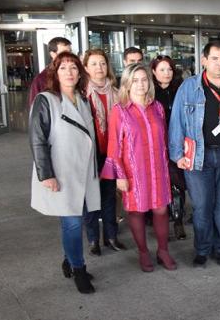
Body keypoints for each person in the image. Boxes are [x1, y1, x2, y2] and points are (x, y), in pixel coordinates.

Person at [169, 41, 220, 268]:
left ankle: (219, 247)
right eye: (214, 58)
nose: (219, 63)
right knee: (202, 208)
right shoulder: (188, 87)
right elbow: (176, 122)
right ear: (204, 60)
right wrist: (177, 155)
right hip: (198, 157)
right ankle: (202, 249)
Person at [29, 52, 100, 294]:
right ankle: (79, 269)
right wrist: (45, 174)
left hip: (83, 171)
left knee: (74, 220)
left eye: (73, 68)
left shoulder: (82, 99)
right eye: (63, 68)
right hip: (61, 172)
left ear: (80, 73)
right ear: (55, 73)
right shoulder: (46, 100)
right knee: (72, 222)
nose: (69, 72)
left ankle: (69, 260)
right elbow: (37, 139)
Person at [101, 64, 176, 272]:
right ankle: (143, 252)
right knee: (137, 212)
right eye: (135, 80)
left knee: (161, 210)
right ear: (127, 84)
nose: (141, 84)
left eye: (144, 79)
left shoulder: (157, 107)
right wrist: (119, 176)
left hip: (158, 169)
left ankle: (163, 251)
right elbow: (114, 146)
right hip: (134, 171)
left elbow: (165, 139)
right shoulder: (119, 111)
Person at [81, 49, 126, 256]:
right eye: (94, 64)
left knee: (109, 196)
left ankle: (111, 236)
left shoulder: (117, 93)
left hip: (111, 153)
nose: (99, 68)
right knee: (90, 197)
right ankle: (93, 239)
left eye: (102, 63)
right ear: (85, 68)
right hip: (88, 155)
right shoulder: (81, 94)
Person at [151, 55, 187, 240]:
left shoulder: (180, 90)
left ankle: (179, 220)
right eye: (162, 70)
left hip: (176, 142)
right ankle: (161, 220)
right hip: (155, 145)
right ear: (154, 72)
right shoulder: (149, 92)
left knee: (178, 183)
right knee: (159, 183)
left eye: (170, 69)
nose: (166, 73)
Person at [28, 37, 72, 106]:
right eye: (64, 53)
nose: (69, 56)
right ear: (53, 54)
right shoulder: (41, 79)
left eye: (70, 52)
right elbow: (35, 108)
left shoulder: (75, 74)